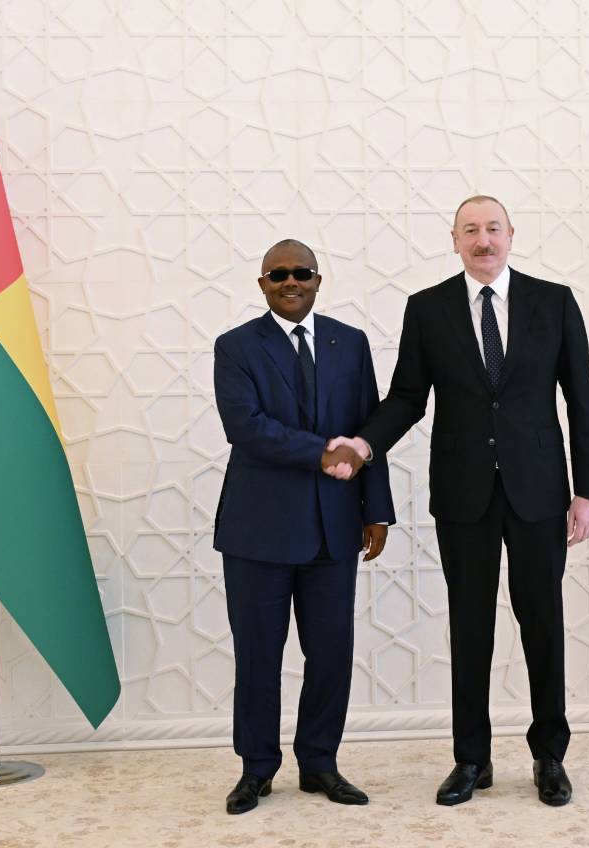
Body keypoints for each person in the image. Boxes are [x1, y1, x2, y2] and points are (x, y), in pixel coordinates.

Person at [327, 196, 589, 807]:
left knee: (543, 624)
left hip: (539, 492)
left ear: (512, 235)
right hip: (463, 494)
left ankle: (549, 756)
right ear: (454, 240)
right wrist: (364, 445)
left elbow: (580, 397)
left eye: (493, 229)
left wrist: (587, 491)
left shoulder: (554, 302)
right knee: (470, 627)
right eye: (471, 230)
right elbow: (407, 397)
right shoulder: (427, 309)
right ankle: (471, 759)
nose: (484, 240)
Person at [212, 239, 394, 814]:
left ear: (318, 280)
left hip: (334, 528)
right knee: (258, 656)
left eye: (301, 273)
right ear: (262, 284)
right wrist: (320, 452)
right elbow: (245, 426)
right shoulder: (235, 346)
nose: (290, 282)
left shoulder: (351, 342)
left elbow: (368, 428)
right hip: (257, 531)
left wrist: (377, 509)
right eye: (278, 274)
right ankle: (256, 769)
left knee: (332, 654)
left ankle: (319, 763)